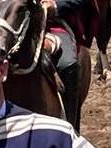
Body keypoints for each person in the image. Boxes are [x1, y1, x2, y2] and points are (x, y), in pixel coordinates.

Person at [42, 0, 94, 131]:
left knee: (67, 63)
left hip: (54, 25)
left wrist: (55, 5)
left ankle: (69, 127)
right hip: (13, 24)